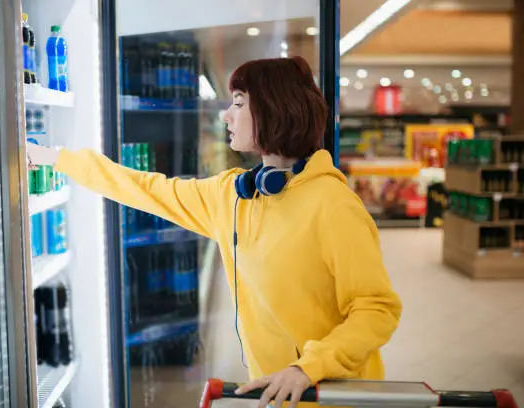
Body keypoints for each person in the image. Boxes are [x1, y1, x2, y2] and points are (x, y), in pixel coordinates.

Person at [27, 56, 402, 408]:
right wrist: (58, 159)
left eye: (238, 103)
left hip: (333, 393)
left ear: (274, 110)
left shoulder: (333, 205)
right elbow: (147, 189)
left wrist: (309, 366)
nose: (226, 115)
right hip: (276, 392)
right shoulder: (234, 195)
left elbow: (377, 309)